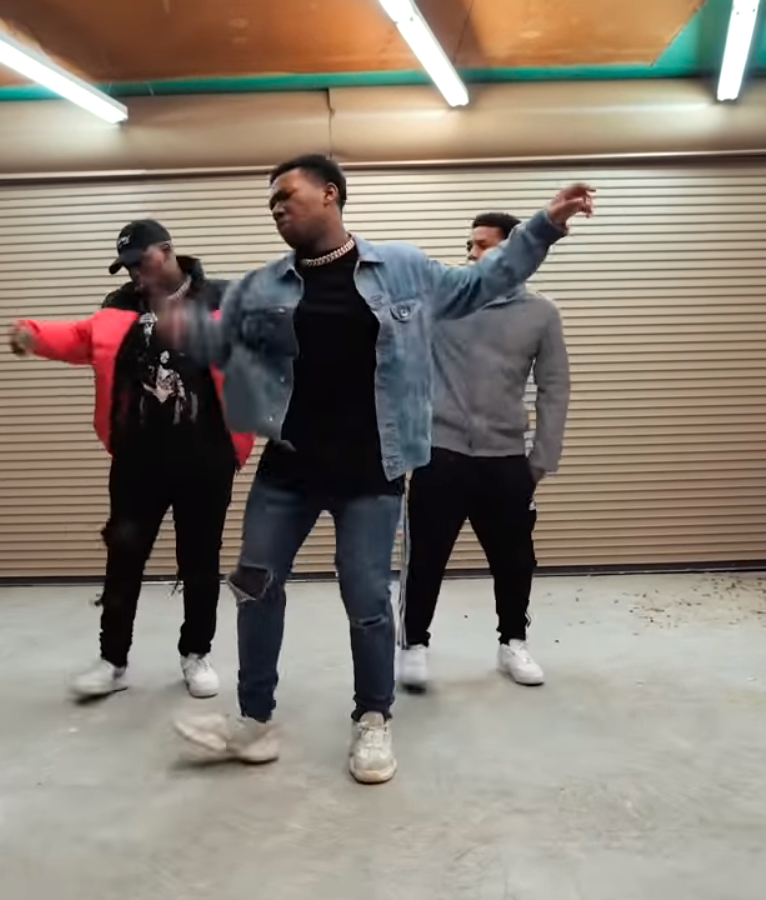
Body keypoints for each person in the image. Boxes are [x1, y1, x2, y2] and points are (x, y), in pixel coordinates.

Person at [155, 154, 595, 784]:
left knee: (366, 599)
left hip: (371, 470)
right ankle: (253, 721)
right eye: (270, 202)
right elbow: (217, 343)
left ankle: (373, 717)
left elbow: (482, 283)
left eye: (287, 194)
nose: (276, 208)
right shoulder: (264, 285)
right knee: (255, 583)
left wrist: (543, 226)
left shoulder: (403, 269)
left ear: (330, 194)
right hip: (287, 469)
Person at [7, 220, 254, 701]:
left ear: (168, 251)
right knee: (124, 559)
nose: (135, 273)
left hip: (206, 459)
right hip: (138, 461)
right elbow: (78, 338)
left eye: (141, 262)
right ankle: (112, 660)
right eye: (127, 267)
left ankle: (196, 654)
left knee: (200, 561)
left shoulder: (221, 298)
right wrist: (32, 335)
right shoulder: (119, 307)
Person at [397, 211, 570, 692]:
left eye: (483, 245)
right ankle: (413, 644)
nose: (472, 254)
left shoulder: (541, 313)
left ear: (514, 251)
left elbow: (554, 387)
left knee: (515, 560)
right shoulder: (440, 303)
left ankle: (513, 642)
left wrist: (541, 460)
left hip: (506, 459)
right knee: (425, 557)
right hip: (441, 454)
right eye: (469, 245)